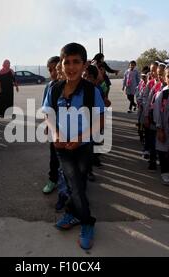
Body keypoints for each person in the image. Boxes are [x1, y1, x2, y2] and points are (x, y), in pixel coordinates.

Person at [43, 43, 105, 250]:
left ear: (85, 64)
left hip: (83, 146)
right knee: (73, 183)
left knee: (76, 184)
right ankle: (79, 217)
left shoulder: (91, 90)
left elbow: (100, 119)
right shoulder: (54, 89)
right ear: (61, 65)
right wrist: (55, 132)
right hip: (61, 146)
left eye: (76, 62)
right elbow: (48, 114)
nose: (71, 67)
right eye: (66, 62)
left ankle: (83, 220)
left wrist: (81, 137)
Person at [42, 56, 61, 195]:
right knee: (54, 156)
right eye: (50, 70)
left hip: (72, 130)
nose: (53, 73)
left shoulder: (70, 85)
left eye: (55, 69)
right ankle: (53, 179)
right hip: (55, 129)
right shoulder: (49, 87)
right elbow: (46, 108)